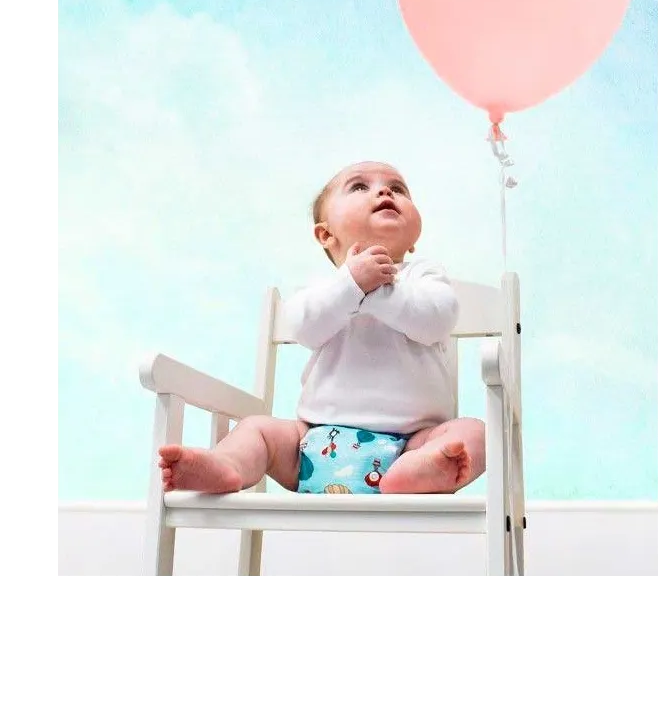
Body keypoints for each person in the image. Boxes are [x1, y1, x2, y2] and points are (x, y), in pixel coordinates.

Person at [157, 161, 485, 495]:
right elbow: (304, 327)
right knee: (257, 430)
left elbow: (436, 321)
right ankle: (229, 465)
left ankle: (419, 472)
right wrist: (352, 285)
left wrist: (376, 291)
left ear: (414, 238)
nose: (385, 191)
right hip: (312, 443)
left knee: (475, 433)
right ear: (326, 234)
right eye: (360, 186)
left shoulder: (423, 276)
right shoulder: (323, 289)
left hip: (414, 442)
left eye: (398, 188)